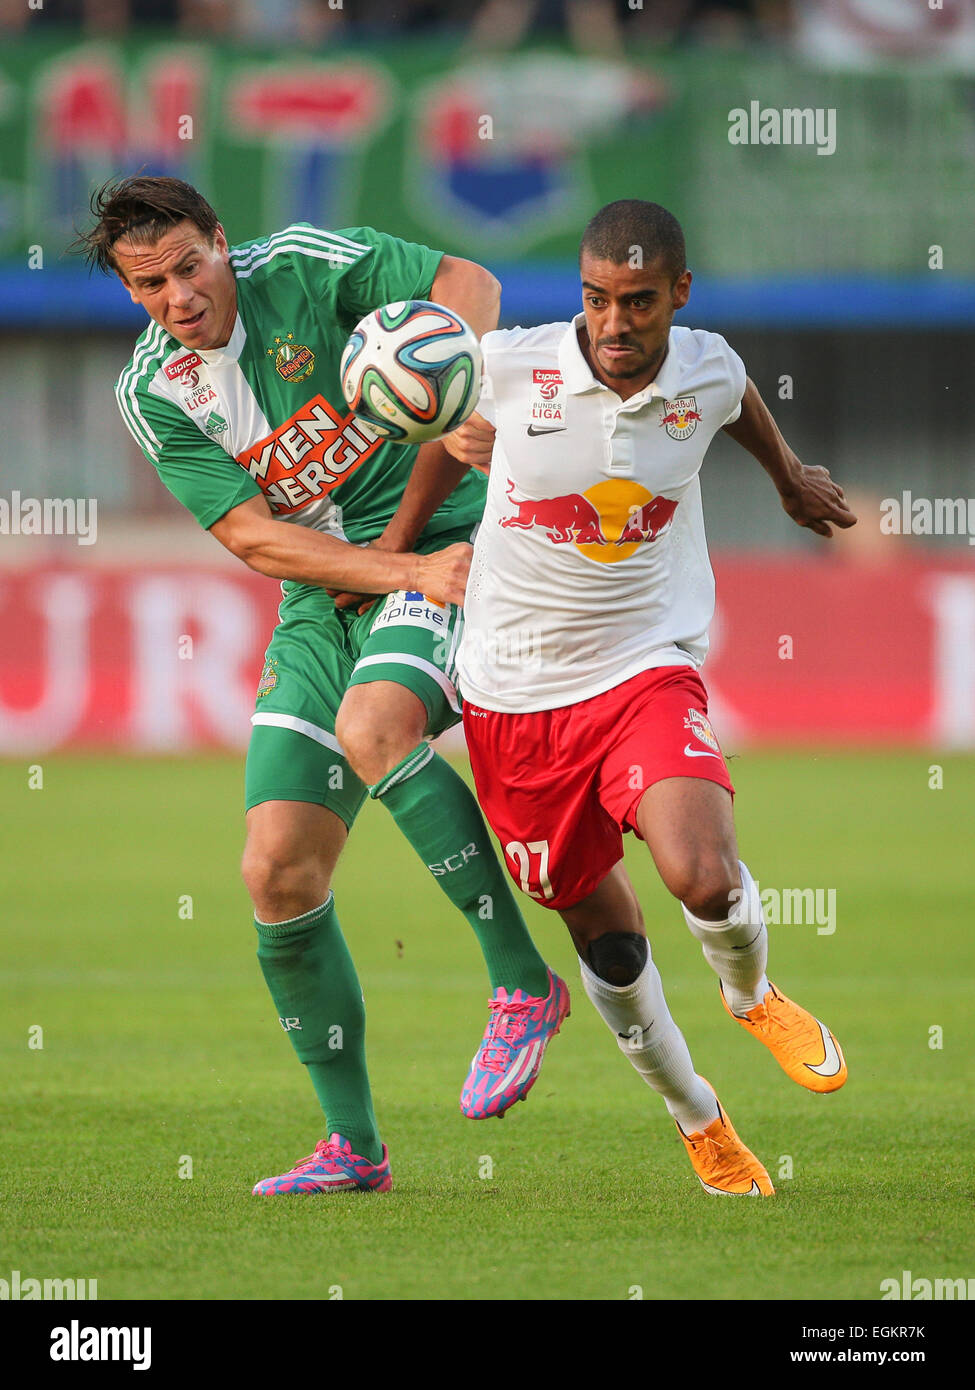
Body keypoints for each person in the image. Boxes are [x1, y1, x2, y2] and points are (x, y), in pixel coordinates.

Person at [77, 176, 568, 1197]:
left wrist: (445, 372)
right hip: (336, 590)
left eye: (188, 266)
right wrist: (392, 570)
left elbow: (469, 283)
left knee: (376, 726)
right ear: (131, 293)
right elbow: (255, 535)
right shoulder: (155, 391)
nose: (178, 296)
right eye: (150, 284)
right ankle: (354, 1146)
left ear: (222, 242)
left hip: (454, 541)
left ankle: (522, 981)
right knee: (276, 869)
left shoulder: (301, 263)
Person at [444, 198, 856, 1196]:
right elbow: (438, 437)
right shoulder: (509, 365)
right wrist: (395, 556)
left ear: (678, 294)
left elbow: (740, 396)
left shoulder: (704, 366)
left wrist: (792, 480)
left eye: (636, 302)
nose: (614, 324)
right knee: (612, 942)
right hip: (511, 697)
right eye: (595, 299)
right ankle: (698, 1117)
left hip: (642, 665)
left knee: (703, 874)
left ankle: (752, 993)